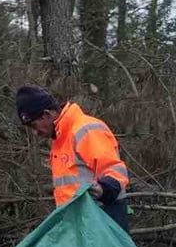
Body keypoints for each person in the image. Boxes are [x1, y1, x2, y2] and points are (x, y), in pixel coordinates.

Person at [16, 85, 130, 231]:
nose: (35, 133)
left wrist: (104, 189)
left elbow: (114, 169)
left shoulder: (85, 129)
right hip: (79, 225)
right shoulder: (60, 140)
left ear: (46, 114)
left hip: (103, 222)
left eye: (33, 125)